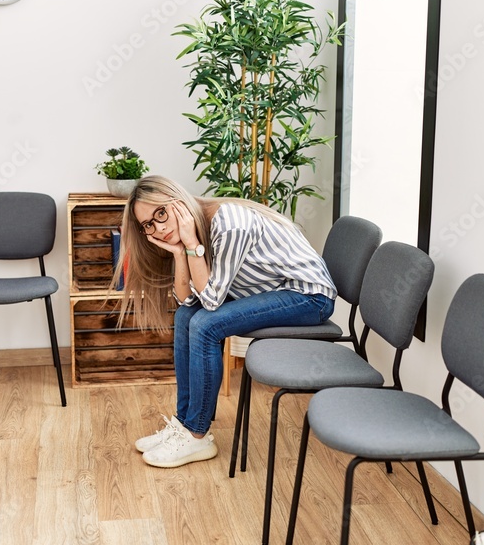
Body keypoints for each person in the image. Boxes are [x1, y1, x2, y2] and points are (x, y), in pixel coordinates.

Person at [114, 175, 337, 468]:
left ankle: (197, 435)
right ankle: (184, 425)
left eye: (161, 213)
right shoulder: (198, 227)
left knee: (206, 325)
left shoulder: (228, 224)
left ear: (177, 200)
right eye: (149, 225)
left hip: (308, 296)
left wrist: (192, 243)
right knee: (185, 318)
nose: (160, 228)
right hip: (274, 293)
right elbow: (187, 302)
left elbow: (209, 302)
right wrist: (181, 253)